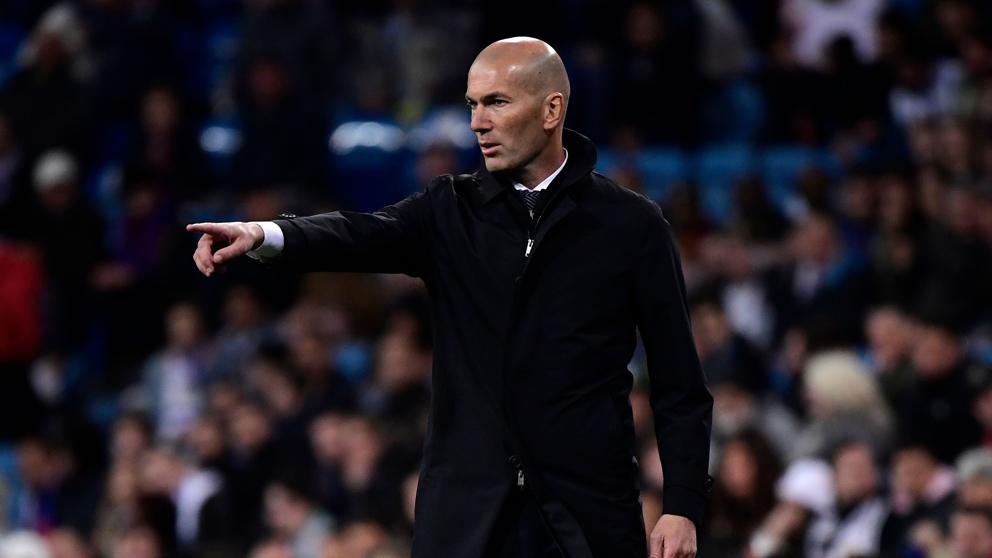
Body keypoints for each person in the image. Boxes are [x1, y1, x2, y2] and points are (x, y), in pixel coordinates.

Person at [187, 37, 712, 558]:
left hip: (588, 520)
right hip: (466, 523)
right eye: (472, 105)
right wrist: (263, 233)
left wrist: (682, 504)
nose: (477, 123)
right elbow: (361, 232)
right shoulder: (448, 210)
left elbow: (679, 382)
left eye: (496, 102)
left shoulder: (632, 225)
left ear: (551, 110)